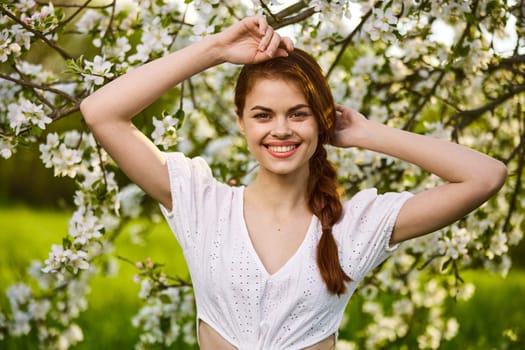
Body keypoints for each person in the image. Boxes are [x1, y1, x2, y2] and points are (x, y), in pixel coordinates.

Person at [80, 15, 507, 350]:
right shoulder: (202, 203)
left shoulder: (355, 225)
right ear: (241, 123)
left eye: (298, 114)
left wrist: (363, 133)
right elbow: (101, 112)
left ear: (320, 120)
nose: (280, 130)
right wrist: (214, 49)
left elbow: (486, 176)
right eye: (263, 115)